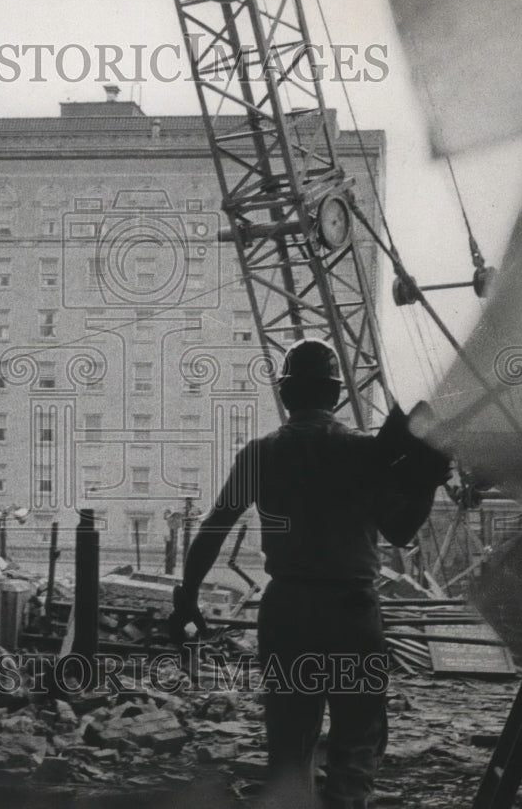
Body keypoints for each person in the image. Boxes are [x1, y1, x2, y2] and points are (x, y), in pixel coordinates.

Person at [169, 338, 450, 809]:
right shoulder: (366, 454)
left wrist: (188, 598)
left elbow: (215, 528)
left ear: (284, 393)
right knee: (357, 740)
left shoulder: (259, 454)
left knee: (289, 737)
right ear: (337, 394)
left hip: (288, 610)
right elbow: (401, 532)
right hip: (351, 610)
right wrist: (426, 483)